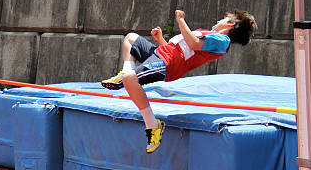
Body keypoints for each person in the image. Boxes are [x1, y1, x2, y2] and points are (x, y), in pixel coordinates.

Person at [101, 9, 257, 153]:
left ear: (230, 24)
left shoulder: (222, 41)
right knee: (131, 38)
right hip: (163, 54)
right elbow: (180, 48)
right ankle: (126, 72)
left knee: (130, 80)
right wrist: (161, 40)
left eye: (222, 20)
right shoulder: (208, 33)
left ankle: (152, 125)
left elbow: (193, 44)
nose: (217, 21)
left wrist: (181, 20)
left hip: (169, 63)